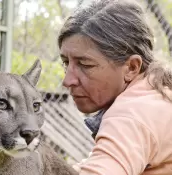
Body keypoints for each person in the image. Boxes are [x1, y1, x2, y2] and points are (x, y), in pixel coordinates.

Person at [58, 0, 172, 174]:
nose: (68, 80)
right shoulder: (157, 93)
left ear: (132, 67)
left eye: (85, 65)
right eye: (66, 62)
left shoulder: (133, 113)